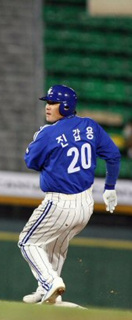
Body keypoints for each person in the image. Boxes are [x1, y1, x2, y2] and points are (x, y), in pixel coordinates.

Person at [19, 85, 121, 304]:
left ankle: (50, 282)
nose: (47, 107)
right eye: (47, 102)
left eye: (52, 103)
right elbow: (113, 155)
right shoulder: (90, 126)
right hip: (86, 204)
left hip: (59, 202)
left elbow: (30, 162)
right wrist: (110, 187)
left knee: (27, 243)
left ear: (65, 106)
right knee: (55, 247)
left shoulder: (49, 133)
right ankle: (47, 294)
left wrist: (39, 139)